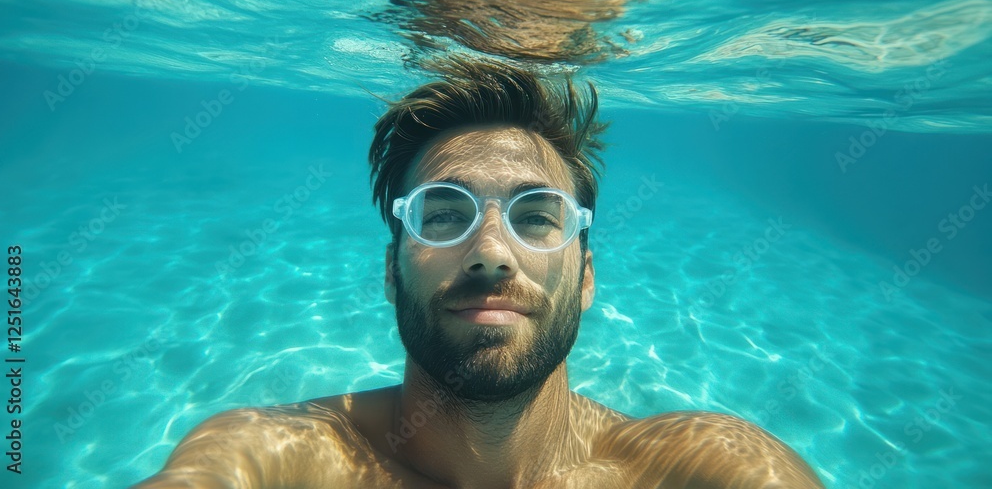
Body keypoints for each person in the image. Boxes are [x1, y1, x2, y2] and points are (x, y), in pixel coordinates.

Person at [133, 59, 824, 488]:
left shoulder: (701, 472)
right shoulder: (276, 461)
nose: (489, 251)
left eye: (535, 216)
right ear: (390, 269)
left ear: (585, 274)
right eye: (442, 215)